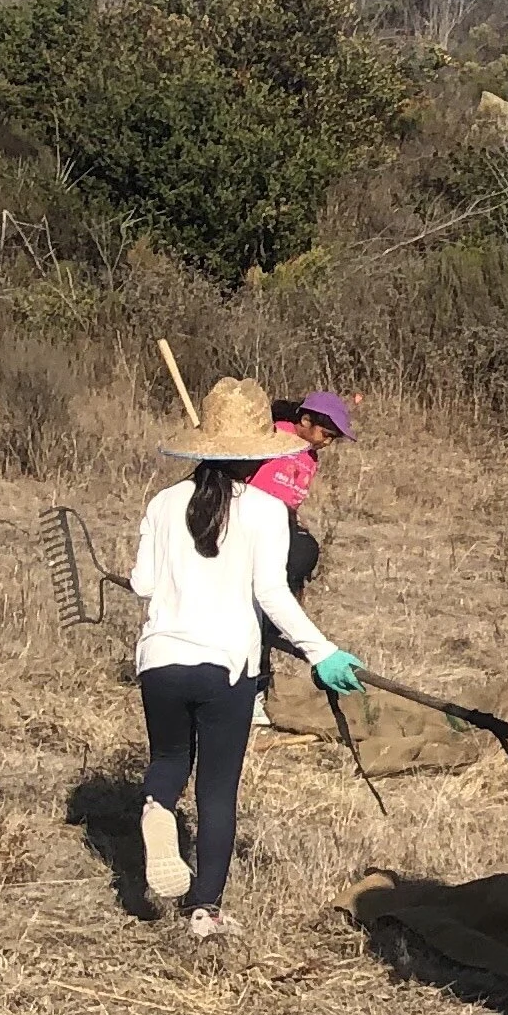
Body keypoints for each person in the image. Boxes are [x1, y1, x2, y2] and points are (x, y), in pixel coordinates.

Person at [131, 378, 365, 939]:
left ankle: (157, 809)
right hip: (227, 667)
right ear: (261, 451)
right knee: (217, 789)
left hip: (161, 659)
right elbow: (272, 594)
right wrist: (322, 651)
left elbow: (142, 583)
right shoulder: (265, 510)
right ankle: (205, 912)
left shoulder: (163, 503)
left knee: (169, 760)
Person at [249, 391, 358, 723]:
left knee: (301, 557)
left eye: (333, 438)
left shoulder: (310, 457)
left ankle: (259, 677)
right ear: (305, 420)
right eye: (326, 433)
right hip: (249, 528)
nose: (327, 442)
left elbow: (290, 500)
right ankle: (249, 688)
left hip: (279, 530)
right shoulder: (271, 436)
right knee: (252, 613)